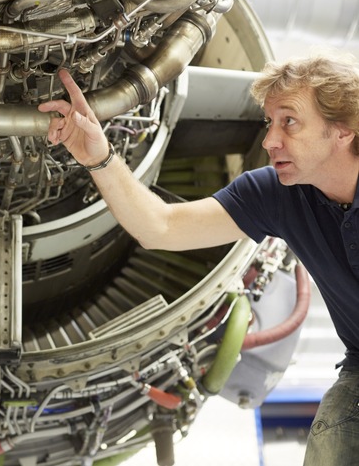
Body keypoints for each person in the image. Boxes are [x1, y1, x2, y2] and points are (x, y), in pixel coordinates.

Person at [37, 52, 359, 465]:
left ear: (344, 129)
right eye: (269, 122)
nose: (269, 140)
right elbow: (161, 227)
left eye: (289, 122)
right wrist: (98, 156)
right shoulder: (278, 194)